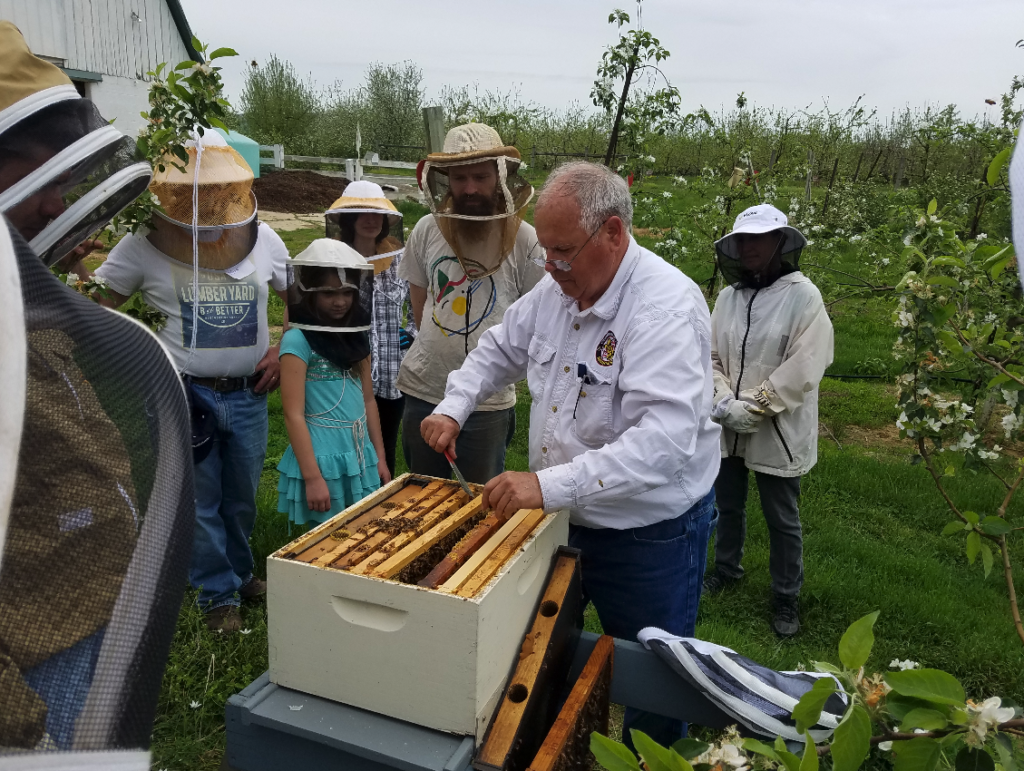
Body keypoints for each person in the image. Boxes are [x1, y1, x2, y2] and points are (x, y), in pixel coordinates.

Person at [420, 161, 721, 750]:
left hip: (648, 535)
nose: (551, 267)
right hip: (563, 518)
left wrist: (545, 486)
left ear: (613, 233)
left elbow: (662, 443)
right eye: (547, 253)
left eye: (562, 252)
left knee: (653, 682)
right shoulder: (557, 290)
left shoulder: (663, 308)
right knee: (544, 658)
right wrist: (454, 405)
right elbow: (499, 347)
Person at [0, 24, 193, 758]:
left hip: (93, 613)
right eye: (42, 180)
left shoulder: (22, 303)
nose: (58, 205)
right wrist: (25, 739)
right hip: (33, 660)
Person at [96, 131, 291, 633]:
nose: (207, 195)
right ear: (173, 190)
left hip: (248, 393)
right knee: (200, 501)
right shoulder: (142, 243)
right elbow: (97, 307)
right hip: (182, 394)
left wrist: (280, 348)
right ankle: (216, 596)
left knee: (241, 496)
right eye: (193, 187)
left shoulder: (264, 238)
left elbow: (298, 297)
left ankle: (240, 573)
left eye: (216, 186)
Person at [701, 204, 834, 638]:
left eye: (759, 239)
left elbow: (807, 363)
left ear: (780, 242)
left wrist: (756, 405)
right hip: (728, 425)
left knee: (781, 515)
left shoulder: (804, 297)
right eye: (743, 240)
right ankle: (726, 569)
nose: (749, 247)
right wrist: (723, 401)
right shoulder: (728, 298)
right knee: (727, 503)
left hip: (778, 428)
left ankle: (785, 595)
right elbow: (710, 355)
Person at [397, 123, 544, 484]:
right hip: (424, 389)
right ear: (445, 179)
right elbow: (420, 304)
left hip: (487, 401)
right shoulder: (427, 229)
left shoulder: (526, 240)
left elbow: (538, 317)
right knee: (422, 495)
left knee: (478, 499)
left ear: (500, 176)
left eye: (480, 176)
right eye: (460, 178)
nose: (470, 188)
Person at [277, 239, 390, 528]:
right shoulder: (297, 340)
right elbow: (292, 414)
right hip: (322, 460)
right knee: (325, 540)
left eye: (346, 292)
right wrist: (313, 478)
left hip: (359, 454)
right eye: (328, 293)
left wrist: (379, 457)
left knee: (362, 532)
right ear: (310, 293)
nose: (340, 301)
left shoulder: (357, 336)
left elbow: (368, 400)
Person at [326, 180, 414, 478]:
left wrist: (411, 334)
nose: (370, 220)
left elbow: (421, 302)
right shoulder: (332, 259)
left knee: (385, 446)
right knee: (348, 444)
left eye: (377, 214)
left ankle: (383, 498)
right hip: (346, 370)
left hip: (390, 371)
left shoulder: (400, 260)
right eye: (361, 213)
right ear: (348, 219)